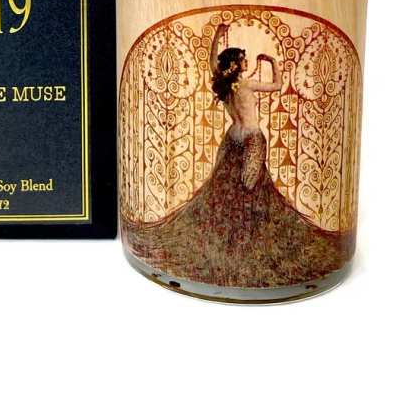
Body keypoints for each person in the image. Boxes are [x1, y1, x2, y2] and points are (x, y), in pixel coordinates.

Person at [124, 24, 352, 288]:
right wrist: (272, 62)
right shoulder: (245, 84)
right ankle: (248, 241)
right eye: (243, 59)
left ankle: (232, 239)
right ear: (235, 64)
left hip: (233, 138)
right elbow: (278, 85)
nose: (246, 62)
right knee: (249, 188)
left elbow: (212, 61)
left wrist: (217, 37)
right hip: (251, 138)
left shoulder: (223, 82)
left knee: (232, 186)